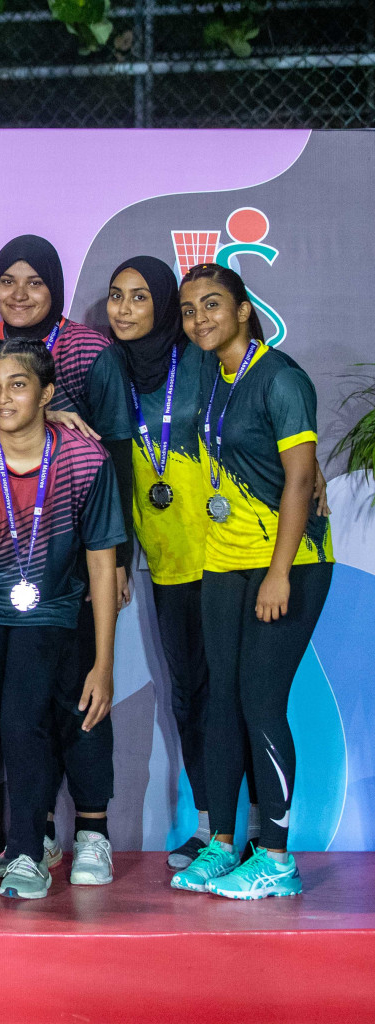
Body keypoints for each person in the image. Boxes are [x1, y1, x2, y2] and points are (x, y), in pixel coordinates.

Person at [0, 337, 124, 900]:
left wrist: (104, 663)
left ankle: (24, 853)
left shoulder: (85, 459)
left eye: (17, 385)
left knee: (24, 722)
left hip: (50, 609)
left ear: (48, 393)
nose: (2, 399)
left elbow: (102, 559)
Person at [0, 235, 134, 877]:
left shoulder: (92, 349)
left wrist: (119, 561)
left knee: (81, 687)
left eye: (34, 281)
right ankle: (32, 832)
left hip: (78, 558)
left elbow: (117, 452)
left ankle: (92, 828)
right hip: (7, 569)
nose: (19, 293)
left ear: (56, 287)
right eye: (7, 280)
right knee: (16, 706)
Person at [169, 263, 333, 899]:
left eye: (212, 305)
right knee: (222, 703)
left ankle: (276, 858)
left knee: (261, 702)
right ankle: (219, 844)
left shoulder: (282, 378)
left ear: (243, 310)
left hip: (285, 567)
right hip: (223, 563)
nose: (199, 318)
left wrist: (280, 573)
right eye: (188, 310)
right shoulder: (212, 375)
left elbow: (299, 479)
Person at [107, 255, 239, 870]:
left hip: (227, 555)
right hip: (166, 563)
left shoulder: (205, 360)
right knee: (188, 695)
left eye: (140, 297)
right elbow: (108, 465)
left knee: (232, 696)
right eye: (116, 296)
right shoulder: (113, 370)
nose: (126, 309)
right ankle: (213, 828)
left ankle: (254, 831)